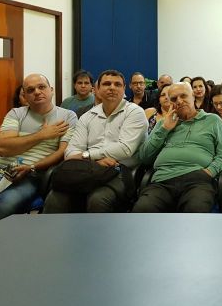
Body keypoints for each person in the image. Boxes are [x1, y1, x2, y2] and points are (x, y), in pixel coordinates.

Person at [0, 74, 77, 233]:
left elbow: (61, 152)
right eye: (31, 90)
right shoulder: (16, 113)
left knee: (5, 204)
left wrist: (30, 166)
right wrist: (42, 135)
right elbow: (3, 148)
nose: (37, 92)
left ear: (51, 90)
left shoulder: (67, 116)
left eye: (42, 87)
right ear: (24, 96)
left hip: (32, 173)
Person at [44, 70, 148, 213]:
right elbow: (71, 151)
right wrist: (94, 160)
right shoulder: (87, 116)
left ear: (124, 89)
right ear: (97, 89)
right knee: (55, 198)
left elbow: (124, 149)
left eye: (117, 84)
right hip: (89, 169)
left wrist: (87, 155)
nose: (112, 87)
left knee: (97, 200)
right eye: (106, 84)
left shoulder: (134, 112)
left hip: (121, 170)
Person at [132, 82, 222, 213]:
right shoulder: (164, 123)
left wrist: (209, 172)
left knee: (195, 211)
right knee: (142, 211)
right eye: (174, 99)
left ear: (193, 96)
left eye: (183, 96)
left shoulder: (213, 120)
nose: (179, 101)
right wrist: (164, 129)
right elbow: (144, 157)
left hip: (198, 180)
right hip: (163, 180)